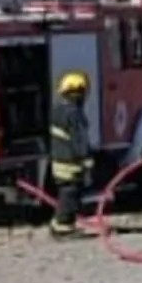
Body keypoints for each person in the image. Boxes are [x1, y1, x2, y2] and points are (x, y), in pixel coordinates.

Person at [48, 70, 93, 238]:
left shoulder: (58, 110)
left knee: (65, 192)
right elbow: (80, 141)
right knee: (70, 193)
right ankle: (63, 227)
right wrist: (87, 162)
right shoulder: (74, 114)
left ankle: (59, 224)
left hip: (58, 161)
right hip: (71, 162)